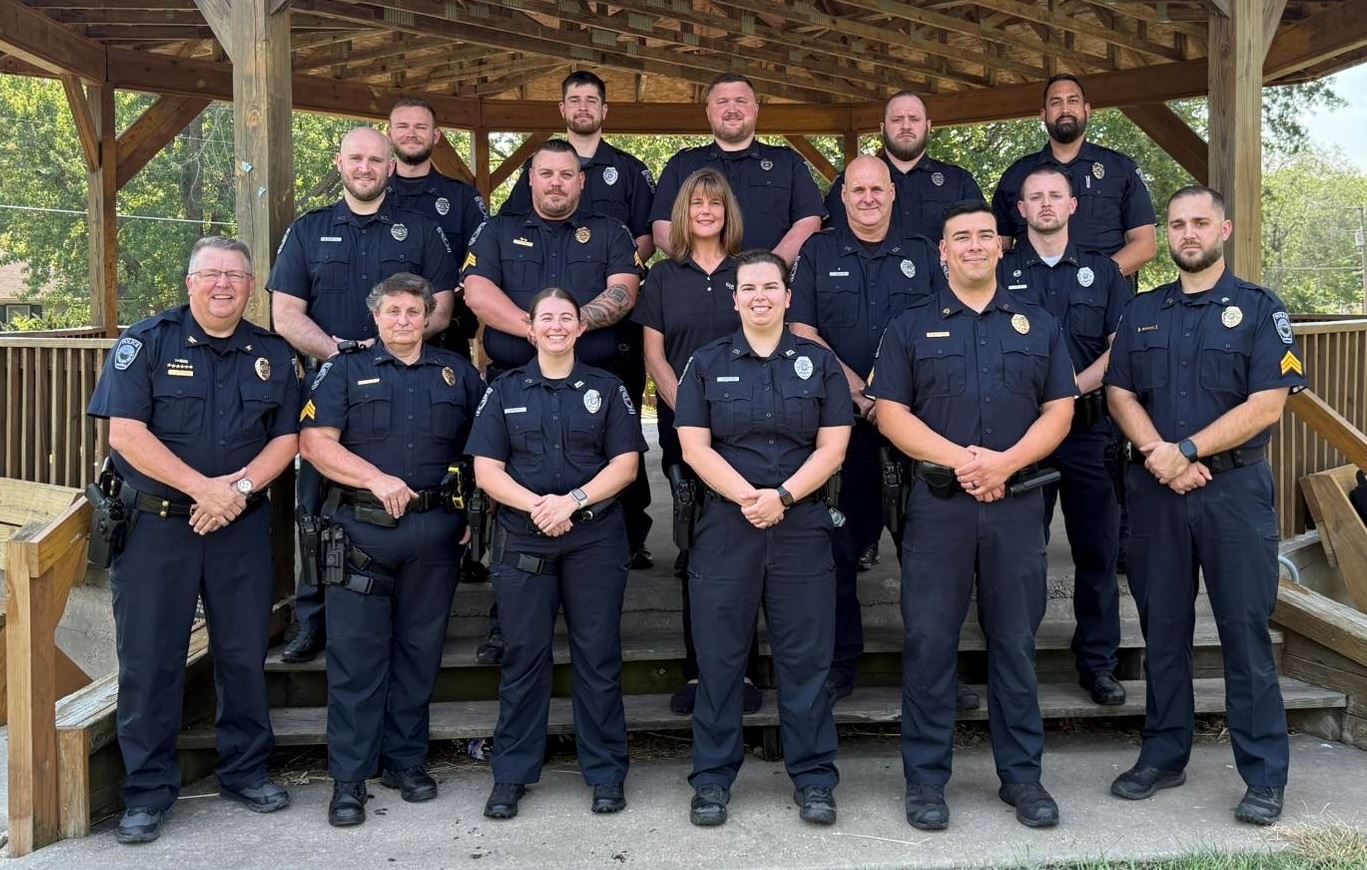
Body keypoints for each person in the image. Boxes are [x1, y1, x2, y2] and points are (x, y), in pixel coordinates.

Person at [868, 202, 1076, 831]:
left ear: (1000, 248)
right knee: (930, 644)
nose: (976, 246)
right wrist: (968, 464)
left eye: (986, 236)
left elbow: (1060, 411)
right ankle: (927, 782)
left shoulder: (1039, 325)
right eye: (962, 237)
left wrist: (1005, 465)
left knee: (1014, 644)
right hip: (938, 509)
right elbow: (891, 415)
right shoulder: (908, 328)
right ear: (943, 252)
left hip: (1016, 511)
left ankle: (1023, 779)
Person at [87, 236, 301, 843]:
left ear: (251, 284)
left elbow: (286, 441)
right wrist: (203, 491)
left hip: (238, 527)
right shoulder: (147, 341)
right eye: (212, 274)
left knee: (241, 656)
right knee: (151, 663)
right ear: (190, 283)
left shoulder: (273, 354)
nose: (224, 285)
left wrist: (233, 492)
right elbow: (126, 435)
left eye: (235, 275)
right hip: (158, 529)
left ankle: (244, 771)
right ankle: (148, 792)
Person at [1105, 186, 1305, 826]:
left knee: (1244, 635)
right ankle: (1163, 755)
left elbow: (1267, 404)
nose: (1188, 233)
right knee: (1162, 631)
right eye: (1178, 224)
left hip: (1233, 494)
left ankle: (1264, 775)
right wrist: (1159, 453)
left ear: (1226, 227)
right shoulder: (1141, 314)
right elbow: (1119, 392)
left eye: (1200, 222)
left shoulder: (1258, 309)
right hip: (1157, 494)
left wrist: (1187, 449)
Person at [674, 250, 852, 828]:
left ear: (787, 295)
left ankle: (815, 777)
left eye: (769, 287)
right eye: (747, 287)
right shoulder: (705, 362)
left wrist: (783, 497)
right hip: (728, 525)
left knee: (805, 660)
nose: (759, 296)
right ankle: (711, 780)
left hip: (800, 524)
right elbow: (694, 447)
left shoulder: (819, 363)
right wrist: (751, 497)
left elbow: (834, 447)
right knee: (721, 659)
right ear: (734, 298)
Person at [298, 273, 483, 827]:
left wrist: (474, 510)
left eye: (412, 311)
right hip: (361, 532)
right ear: (374, 317)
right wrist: (376, 478)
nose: (402, 320)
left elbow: (486, 445)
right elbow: (314, 445)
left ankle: (406, 763)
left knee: (419, 653)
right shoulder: (342, 371)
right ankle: (349, 779)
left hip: (436, 533)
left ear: (428, 317)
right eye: (392, 311)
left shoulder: (459, 375)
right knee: (356, 662)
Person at [271, 126, 460, 664]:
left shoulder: (421, 231)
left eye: (375, 160)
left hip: (408, 384)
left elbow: (442, 307)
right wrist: (340, 353)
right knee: (317, 507)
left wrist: (396, 342)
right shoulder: (308, 231)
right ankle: (313, 620)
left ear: (391, 167)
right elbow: (285, 314)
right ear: (339, 163)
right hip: (332, 382)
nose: (365, 167)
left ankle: (410, 616)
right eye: (355, 158)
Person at [466, 288, 646, 820]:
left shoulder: (608, 389)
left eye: (566, 318)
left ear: (580, 328)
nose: (557, 327)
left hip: (594, 537)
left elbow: (626, 465)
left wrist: (573, 502)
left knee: (598, 657)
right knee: (524, 658)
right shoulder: (503, 390)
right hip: (524, 540)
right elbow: (486, 470)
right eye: (547, 319)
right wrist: (539, 507)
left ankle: (607, 773)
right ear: (532, 327)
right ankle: (511, 776)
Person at [463, 138, 642, 664]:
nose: (557, 183)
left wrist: (569, 326)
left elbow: (625, 290)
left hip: (600, 385)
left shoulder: (610, 232)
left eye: (567, 174)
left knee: (610, 498)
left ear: (582, 181)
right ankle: (507, 620)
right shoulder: (496, 230)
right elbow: (476, 292)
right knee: (509, 501)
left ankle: (603, 614)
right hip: (515, 385)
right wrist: (538, 330)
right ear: (531, 178)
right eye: (546, 174)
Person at [788, 156, 943, 706]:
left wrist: (893, 400)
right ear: (844, 196)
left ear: (893, 194)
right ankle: (839, 666)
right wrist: (862, 393)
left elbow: (942, 325)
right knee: (838, 553)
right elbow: (802, 328)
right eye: (859, 189)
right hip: (844, 426)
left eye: (878, 188)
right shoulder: (818, 252)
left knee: (926, 556)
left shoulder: (925, 253)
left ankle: (933, 675)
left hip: (916, 428)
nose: (869, 198)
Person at [499, 70, 656, 572]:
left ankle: (631, 536)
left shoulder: (629, 171)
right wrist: (542, 329)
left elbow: (645, 240)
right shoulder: (536, 167)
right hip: (526, 358)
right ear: (562, 109)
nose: (583, 107)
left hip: (607, 348)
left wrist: (574, 324)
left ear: (605, 110)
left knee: (619, 441)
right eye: (574, 100)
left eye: (592, 100)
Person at [632, 168, 763, 716]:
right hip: (686, 432)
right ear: (682, 214)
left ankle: (750, 672)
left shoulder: (750, 271)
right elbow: (655, 355)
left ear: (727, 211)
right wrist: (689, 413)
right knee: (698, 548)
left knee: (749, 544)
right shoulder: (663, 277)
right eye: (695, 203)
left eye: (715, 202)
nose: (705, 211)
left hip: (750, 429)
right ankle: (697, 672)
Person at [998, 166, 1129, 706]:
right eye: (1035, 197)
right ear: (1022, 211)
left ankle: (1097, 665)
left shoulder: (1104, 274)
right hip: (1021, 435)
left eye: (1056, 195)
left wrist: (1069, 390)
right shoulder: (1000, 272)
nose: (1046, 204)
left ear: (1072, 206)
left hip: (1088, 432)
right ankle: (1015, 664)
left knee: (1096, 552)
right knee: (1020, 556)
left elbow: (1121, 347)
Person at [991, 74, 1157, 286]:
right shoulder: (1016, 176)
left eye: (1073, 100)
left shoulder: (1121, 169)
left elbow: (1145, 244)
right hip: (1033, 300)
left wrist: (1097, 278)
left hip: (1105, 300)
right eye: (1055, 102)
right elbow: (998, 249)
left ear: (1087, 110)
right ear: (1043, 114)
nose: (1065, 109)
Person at [650, 73, 824, 264]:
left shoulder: (788, 162)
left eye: (741, 101)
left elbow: (809, 221)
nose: (732, 109)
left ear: (756, 109)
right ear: (708, 112)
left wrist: (769, 268)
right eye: (722, 102)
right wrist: (704, 266)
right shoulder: (682, 164)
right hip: (699, 285)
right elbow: (661, 227)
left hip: (769, 287)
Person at [387, 96, 488, 361]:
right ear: (389, 133)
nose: (411, 133)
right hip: (375, 341)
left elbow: (484, 268)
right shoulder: (372, 198)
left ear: (436, 136)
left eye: (421, 127)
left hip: (444, 342)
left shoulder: (463, 199)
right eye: (403, 126)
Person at [824, 91, 983, 242]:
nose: (906, 126)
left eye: (914, 119)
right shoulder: (849, 183)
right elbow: (830, 245)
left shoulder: (959, 182)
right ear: (882, 128)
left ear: (928, 126)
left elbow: (981, 242)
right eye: (897, 119)